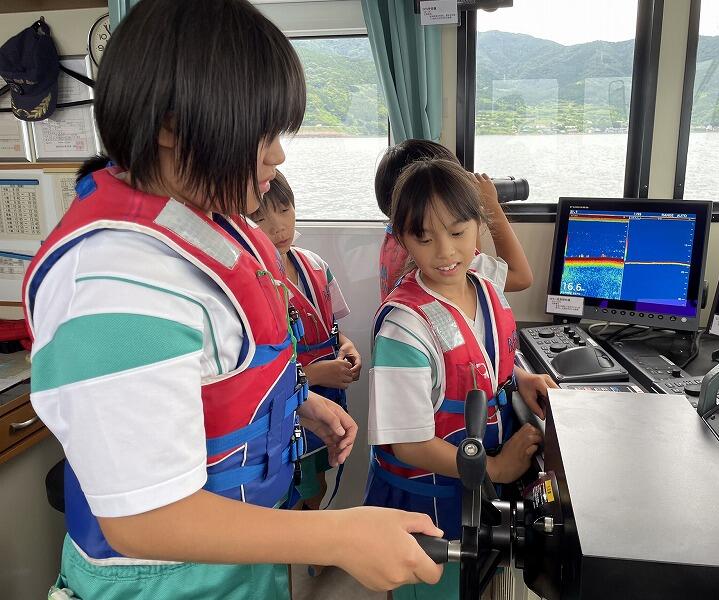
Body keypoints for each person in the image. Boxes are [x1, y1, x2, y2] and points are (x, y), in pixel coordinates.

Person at [21, 2, 442, 599]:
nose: (277, 155)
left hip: (238, 560)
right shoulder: (112, 283)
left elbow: (219, 373)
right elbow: (142, 519)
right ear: (171, 126)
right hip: (160, 583)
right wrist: (339, 536)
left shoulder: (212, 227)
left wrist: (294, 405)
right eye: (260, 131)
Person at [364, 159, 558, 599]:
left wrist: (519, 378)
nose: (445, 252)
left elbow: (482, 361)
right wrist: (496, 467)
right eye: (424, 238)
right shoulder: (404, 328)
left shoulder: (484, 284)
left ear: (478, 225)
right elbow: (407, 442)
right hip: (427, 505)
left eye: (457, 232)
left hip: (476, 491)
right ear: (402, 239)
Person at [252, 170, 360, 517]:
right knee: (294, 489)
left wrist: (347, 347)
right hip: (289, 409)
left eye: (285, 210)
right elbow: (256, 373)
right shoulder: (254, 282)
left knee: (320, 479)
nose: (278, 227)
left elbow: (332, 328)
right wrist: (314, 375)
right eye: (260, 219)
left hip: (330, 399)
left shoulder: (315, 265)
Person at [374, 139, 533, 301]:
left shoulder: (396, 237)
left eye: (456, 233)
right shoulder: (447, 262)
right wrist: (490, 203)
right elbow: (521, 277)